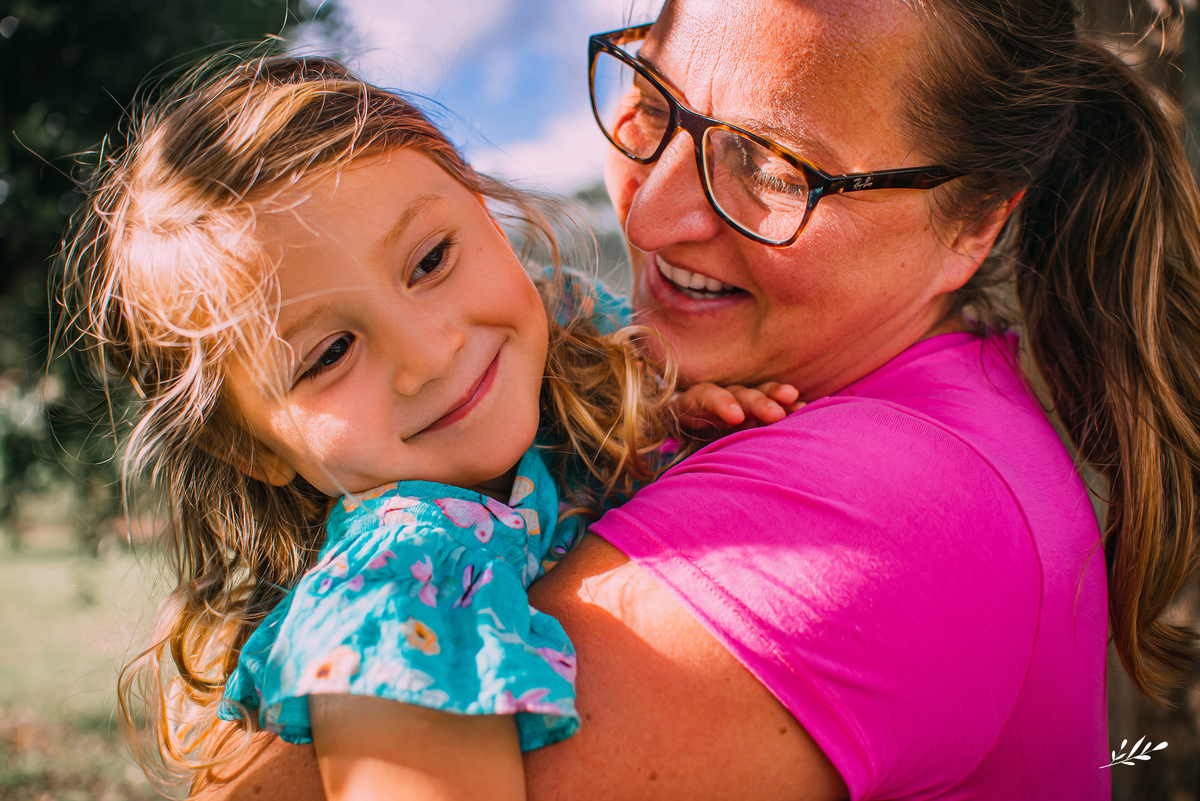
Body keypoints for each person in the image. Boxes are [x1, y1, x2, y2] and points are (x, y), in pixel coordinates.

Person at [194, 0, 1200, 798]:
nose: (660, 212)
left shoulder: (888, 511)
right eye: (652, 105)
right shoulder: (761, 401)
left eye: (770, 166)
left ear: (973, 225)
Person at [56, 53, 800, 800]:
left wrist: (662, 415)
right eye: (331, 354)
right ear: (251, 444)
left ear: (483, 209)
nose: (428, 351)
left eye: (431, 260)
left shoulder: (574, 334)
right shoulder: (396, 585)